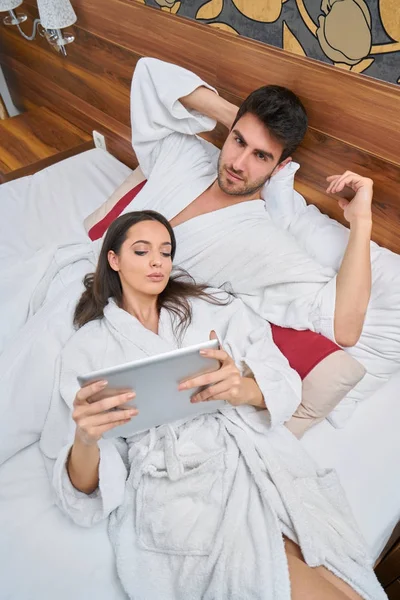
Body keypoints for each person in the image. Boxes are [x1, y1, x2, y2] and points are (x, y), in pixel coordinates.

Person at [45, 210, 385, 600]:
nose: (157, 261)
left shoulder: (213, 307)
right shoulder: (87, 347)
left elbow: (282, 378)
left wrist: (243, 389)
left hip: (256, 457)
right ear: (114, 259)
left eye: (166, 251)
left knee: (342, 577)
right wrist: (86, 439)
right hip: (180, 489)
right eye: (142, 251)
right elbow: (83, 488)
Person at [125, 57, 373, 348]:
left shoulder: (260, 241)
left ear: (279, 167)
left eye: (261, 155)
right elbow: (148, 73)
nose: (238, 164)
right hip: (79, 279)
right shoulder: (183, 156)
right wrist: (237, 115)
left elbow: (344, 327)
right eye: (239, 141)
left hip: (126, 325)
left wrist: (362, 221)